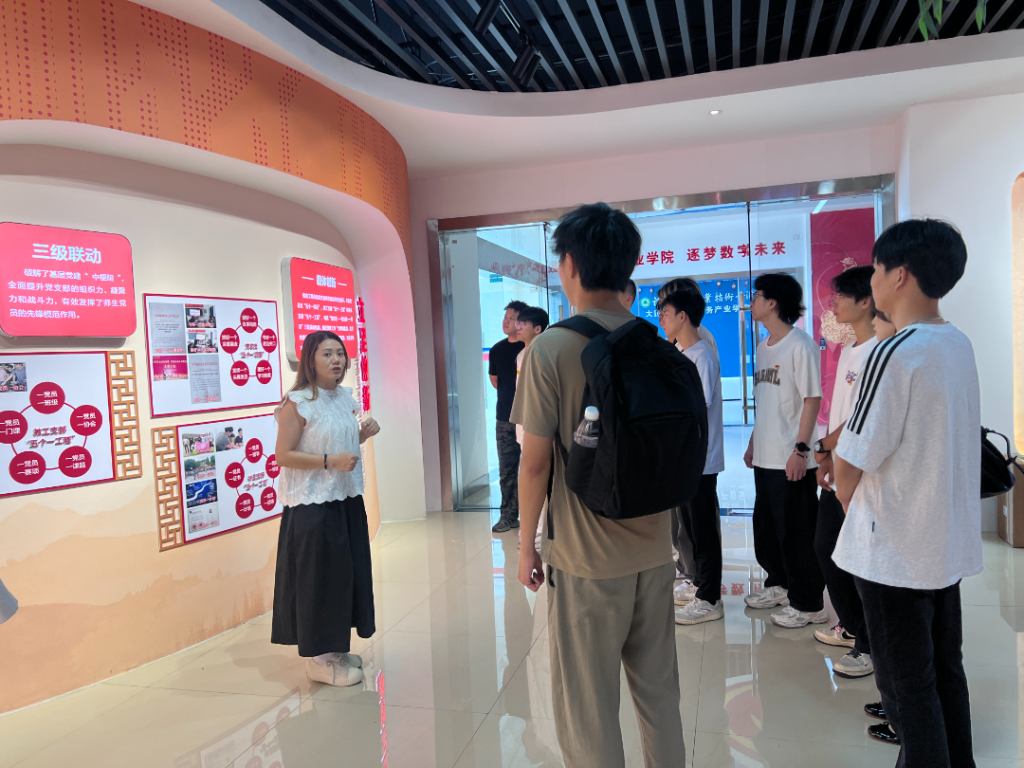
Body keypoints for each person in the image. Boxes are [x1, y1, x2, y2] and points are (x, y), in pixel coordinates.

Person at [513, 203, 685, 768]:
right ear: (627, 266)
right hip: (655, 551)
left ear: (568, 264)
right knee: (660, 698)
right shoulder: (655, 342)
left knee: (587, 710)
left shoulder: (551, 349)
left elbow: (535, 464)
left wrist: (526, 547)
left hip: (586, 560)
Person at [834, 220, 980, 765]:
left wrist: (847, 501)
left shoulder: (895, 351)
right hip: (941, 543)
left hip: (894, 547)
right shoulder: (956, 343)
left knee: (905, 688)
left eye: (875, 268)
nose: (871, 279)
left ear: (899, 275)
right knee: (944, 672)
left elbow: (852, 458)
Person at [271, 330, 381, 688]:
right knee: (319, 579)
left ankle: (334, 650)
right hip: (312, 505)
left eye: (340, 353)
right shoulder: (297, 402)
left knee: (342, 576)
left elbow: (340, 441)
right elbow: (284, 455)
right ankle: (319, 659)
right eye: (327, 354)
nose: (336, 360)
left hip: (345, 499)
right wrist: (329, 461)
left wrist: (363, 434)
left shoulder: (342, 396)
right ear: (310, 360)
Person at [742, 272, 826, 629]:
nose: (752, 302)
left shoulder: (800, 345)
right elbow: (766, 401)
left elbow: (812, 399)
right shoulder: (764, 346)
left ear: (772, 302)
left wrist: (801, 450)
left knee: (797, 533)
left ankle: (809, 604)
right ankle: (778, 585)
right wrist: (753, 442)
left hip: (792, 458)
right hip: (766, 456)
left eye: (756, 296)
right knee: (767, 528)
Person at [811, 266, 878, 679]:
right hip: (838, 469)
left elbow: (858, 421)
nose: (832, 303)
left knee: (858, 563)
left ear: (866, 300)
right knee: (826, 549)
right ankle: (853, 627)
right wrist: (827, 457)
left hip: (860, 478)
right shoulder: (852, 348)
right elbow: (841, 415)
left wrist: (822, 447)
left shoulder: (878, 353)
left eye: (841, 296)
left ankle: (868, 645)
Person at [658, 287, 726, 625]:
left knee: (703, 529)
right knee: (689, 526)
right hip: (686, 459)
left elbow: (694, 409)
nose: (661, 319)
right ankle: (699, 583)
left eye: (665, 313)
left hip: (701, 459)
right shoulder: (682, 353)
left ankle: (710, 597)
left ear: (683, 316)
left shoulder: (703, 356)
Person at [489, 300, 528, 533]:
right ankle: (508, 516)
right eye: (506, 317)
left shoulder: (529, 348)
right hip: (505, 418)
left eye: (512, 318)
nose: (506, 321)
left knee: (534, 467)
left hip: (529, 418)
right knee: (507, 470)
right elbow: (495, 381)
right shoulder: (496, 349)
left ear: (522, 322)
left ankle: (537, 518)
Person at [513, 306, 550, 552]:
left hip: (535, 423)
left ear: (537, 328)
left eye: (522, 323)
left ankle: (539, 531)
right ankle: (534, 529)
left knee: (537, 474)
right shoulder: (522, 353)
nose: (518, 327)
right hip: (524, 422)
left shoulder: (540, 352)